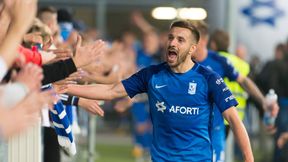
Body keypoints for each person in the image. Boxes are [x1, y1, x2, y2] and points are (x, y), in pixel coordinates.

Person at [65, 20, 254, 162]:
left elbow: (235, 120)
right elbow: (111, 91)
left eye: (181, 40)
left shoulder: (209, 78)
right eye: (171, 37)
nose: (172, 43)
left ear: (192, 49)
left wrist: (248, 158)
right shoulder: (152, 75)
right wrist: (63, 87)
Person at [190, 20, 278, 162]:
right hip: (189, 129)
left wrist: (263, 102)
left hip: (215, 129)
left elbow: (243, 81)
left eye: (192, 39)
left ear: (204, 40)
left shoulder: (219, 61)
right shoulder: (185, 63)